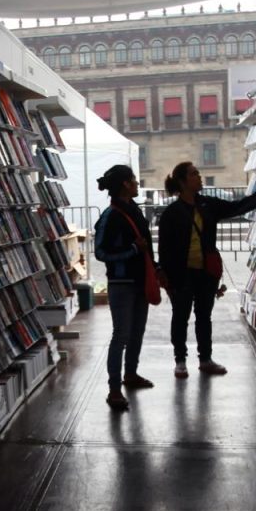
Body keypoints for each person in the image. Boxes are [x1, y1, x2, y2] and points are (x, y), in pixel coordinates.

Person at [157, 163, 256, 377]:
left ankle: (205, 359)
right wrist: (166, 277)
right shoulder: (172, 212)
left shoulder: (208, 204)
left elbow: (239, 207)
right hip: (182, 273)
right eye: (194, 174)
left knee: (204, 316)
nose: (199, 176)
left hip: (206, 272)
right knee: (181, 316)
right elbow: (164, 248)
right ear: (183, 182)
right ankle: (180, 360)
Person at [93, 164, 156, 410]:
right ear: (124, 185)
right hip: (122, 284)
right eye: (133, 181)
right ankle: (114, 388)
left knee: (136, 332)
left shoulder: (133, 210)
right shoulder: (110, 216)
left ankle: (130, 374)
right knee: (121, 335)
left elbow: (145, 246)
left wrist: (155, 267)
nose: (137, 184)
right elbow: (100, 252)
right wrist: (132, 251)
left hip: (138, 280)